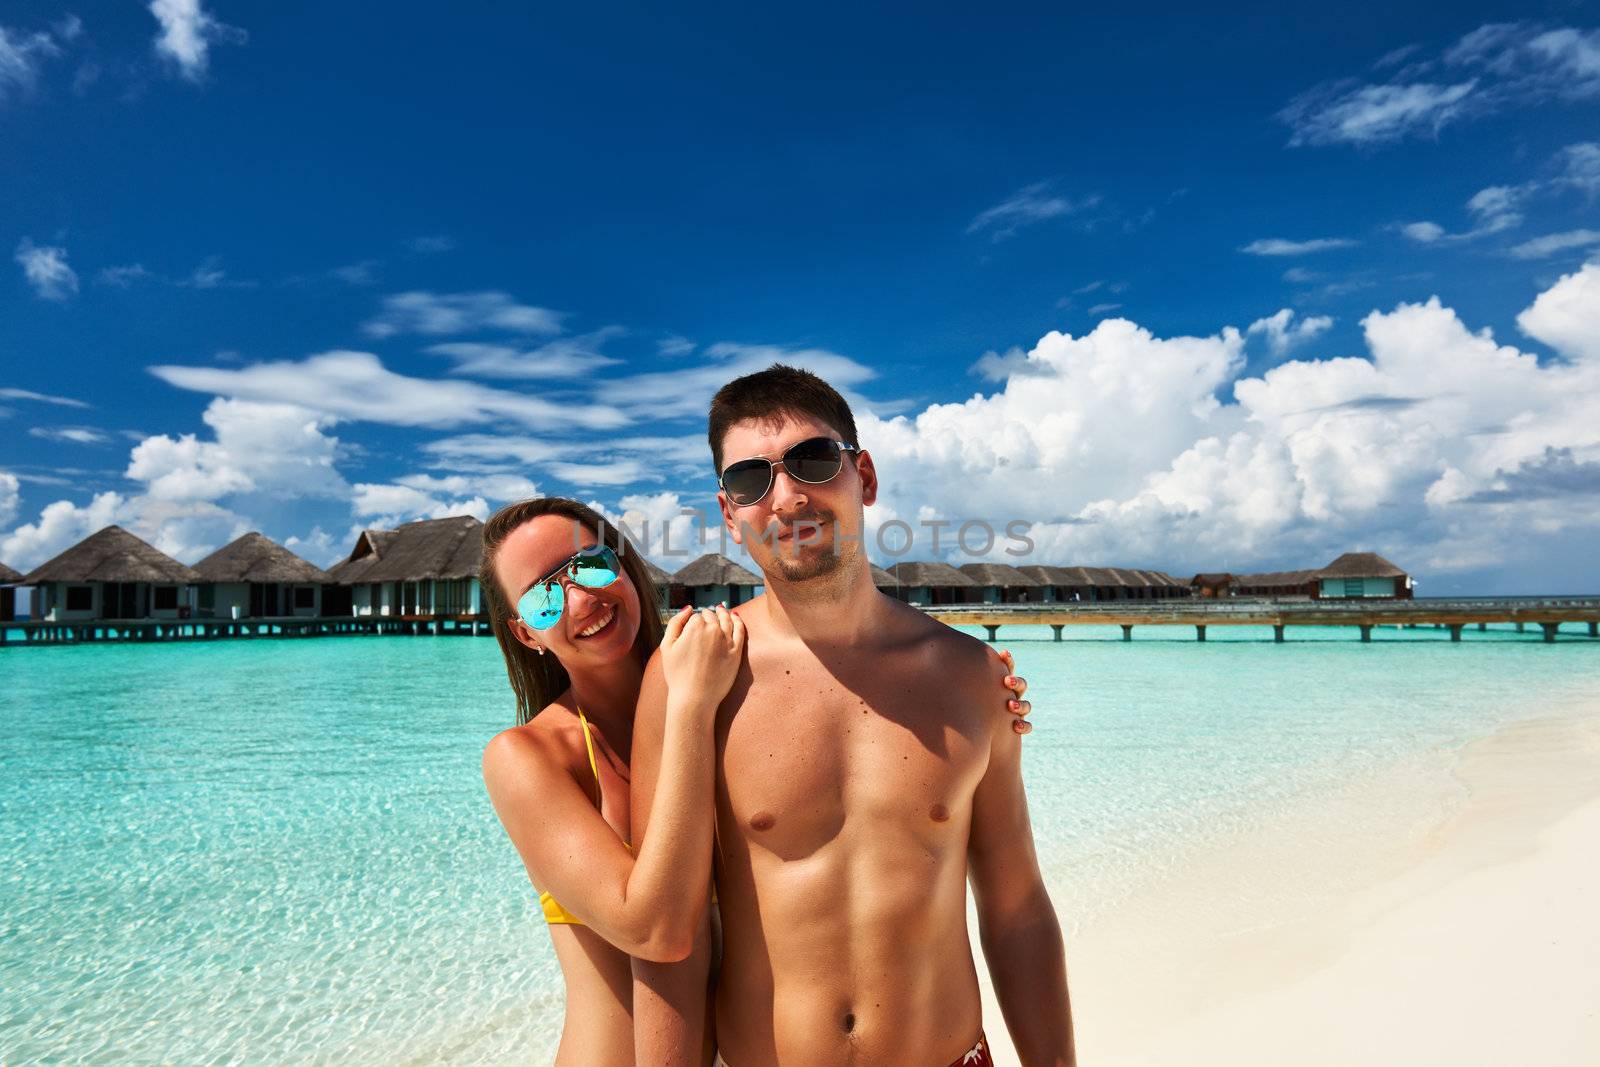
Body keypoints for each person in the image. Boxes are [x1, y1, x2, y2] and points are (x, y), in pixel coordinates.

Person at [478, 497, 1035, 1065]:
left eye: (590, 565)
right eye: (544, 596)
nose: (581, 598)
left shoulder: (726, 691)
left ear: (625, 567)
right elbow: (656, 930)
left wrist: (970, 688)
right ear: (525, 634)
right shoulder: (528, 758)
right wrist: (690, 705)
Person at [632, 366, 1075, 1066]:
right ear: (728, 511)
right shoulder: (692, 678)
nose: (785, 497)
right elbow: (670, 941)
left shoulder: (968, 675)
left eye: (812, 461)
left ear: (862, 475)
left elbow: (1017, 908)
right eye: (751, 479)